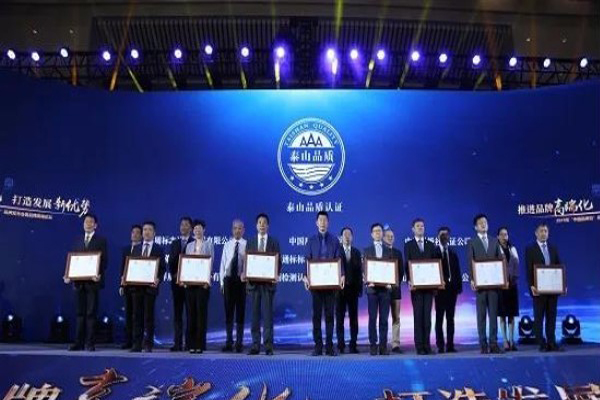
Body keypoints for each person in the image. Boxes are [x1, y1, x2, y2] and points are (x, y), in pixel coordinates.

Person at [65, 213, 108, 352]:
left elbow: (104, 261)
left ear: (95, 225)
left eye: (91, 222)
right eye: (86, 222)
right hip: (79, 283)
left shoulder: (101, 241)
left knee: (91, 314)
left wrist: (98, 274)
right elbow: (74, 260)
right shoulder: (77, 241)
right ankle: (78, 343)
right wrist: (69, 275)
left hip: (93, 283)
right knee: (79, 313)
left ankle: (90, 343)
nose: (88, 224)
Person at [304, 211, 344, 356]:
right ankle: (318, 346)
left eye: (325, 220)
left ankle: (329, 347)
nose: (322, 223)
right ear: (316, 223)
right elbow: (307, 260)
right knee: (316, 316)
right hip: (315, 285)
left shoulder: (334, 240)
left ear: (328, 222)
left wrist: (342, 275)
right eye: (320, 220)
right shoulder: (311, 240)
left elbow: (339, 260)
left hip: (330, 284)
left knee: (329, 316)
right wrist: (305, 276)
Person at [466, 213, 504, 354]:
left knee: (493, 315)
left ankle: (493, 343)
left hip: (493, 284)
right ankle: (483, 344)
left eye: (485, 222)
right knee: (481, 315)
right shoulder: (472, 242)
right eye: (481, 223)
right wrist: (472, 279)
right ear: (476, 227)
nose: (483, 224)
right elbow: (470, 262)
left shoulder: (494, 241)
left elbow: (500, 260)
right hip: (480, 285)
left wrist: (501, 278)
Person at [245, 213, 281, 355]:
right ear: (256, 225)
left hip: (268, 285)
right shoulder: (250, 242)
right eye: (259, 222)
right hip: (254, 285)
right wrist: (246, 273)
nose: (262, 225)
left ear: (268, 226)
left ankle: (268, 346)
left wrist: (275, 274)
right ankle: (255, 345)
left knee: (268, 317)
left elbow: (279, 261)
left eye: (264, 222)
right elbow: (247, 261)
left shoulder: (274, 242)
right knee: (254, 316)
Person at [525, 223, 564, 352]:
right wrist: (531, 285)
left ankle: (551, 342)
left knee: (551, 317)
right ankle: (541, 343)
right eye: (541, 231)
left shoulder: (553, 248)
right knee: (539, 317)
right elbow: (528, 269)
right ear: (536, 233)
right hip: (538, 289)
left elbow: (559, 267)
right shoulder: (530, 249)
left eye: (546, 231)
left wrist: (562, 284)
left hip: (552, 289)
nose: (543, 233)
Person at [130, 221, 166, 353]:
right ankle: (136, 344)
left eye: (149, 230)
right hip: (136, 288)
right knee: (137, 316)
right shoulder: (136, 248)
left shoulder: (158, 249)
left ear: (154, 233)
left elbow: (162, 268)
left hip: (151, 288)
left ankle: (148, 344)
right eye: (144, 229)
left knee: (148, 317)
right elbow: (132, 266)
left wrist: (158, 279)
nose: (146, 232)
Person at [404, 218, 436, 355]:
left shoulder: (431, 245)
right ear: (413, 229)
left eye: (422, 226)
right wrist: (409, 281)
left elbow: (435, 265)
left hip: (428, 287)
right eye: (418, 226)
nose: (420, 228)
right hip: (416, 287)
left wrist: (435, 282)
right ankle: (419, 346)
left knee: (427, 317)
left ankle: (427, 345)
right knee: (418, 316)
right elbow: (407, 264)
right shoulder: (409, 245)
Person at [363, 223, 393, 356]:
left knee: (384, 319)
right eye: (375, 231)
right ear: (371, 234)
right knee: (372, 318)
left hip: (385, 289)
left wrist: (391, 282)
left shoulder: (389, 250)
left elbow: (392, 268)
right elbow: (363, 269)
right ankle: (373, 345)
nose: (377, 233)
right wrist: (367, 281)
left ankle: (383, 346)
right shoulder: (367, 250)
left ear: (382, 233)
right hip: (372, 290)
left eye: (379, 231)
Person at [185, 219, 214, 354]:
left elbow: (210, 263)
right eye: (195, 228)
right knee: (191, 314)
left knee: (201, 314)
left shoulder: (209, 244)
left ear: (204, 230)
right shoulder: (189, 246)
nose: (197, 230)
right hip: (190, 284)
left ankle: (200, 344)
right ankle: (191, 344)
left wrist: (207, 280)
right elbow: (186, 263)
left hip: (203, 284)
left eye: (199, 228)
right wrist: (184, 279)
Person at [219, 219, 247, 353]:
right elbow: (222, 265)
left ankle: (239, 343)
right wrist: (221, 283)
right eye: (235, 228)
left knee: (240, 312)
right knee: (228, 312)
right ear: (232, 230)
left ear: (243, 230)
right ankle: (229, 342)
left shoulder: (247, 245)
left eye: (240, 228)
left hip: (241, 282)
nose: (237, 231)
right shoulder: (227, 245)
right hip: (228, 281)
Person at [433, 226, 462, 353]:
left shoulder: (453, 253)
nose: (444, 237)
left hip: (452, 290)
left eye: (446, 234)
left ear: (449, 237)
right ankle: (440, 345)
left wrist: (459, 287)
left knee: (450, 318)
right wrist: (435, 287)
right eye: (442, 234)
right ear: (438, 237)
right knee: (439, 318)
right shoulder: (434, 253)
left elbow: (457, 271)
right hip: (439, 291)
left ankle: (450, 345)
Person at [168, 216, 194, 352]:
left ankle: (189, 343)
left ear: (191, 227)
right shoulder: (174, 243)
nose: (183, 227)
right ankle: (177, 343)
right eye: (182, 225)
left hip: (190, 284)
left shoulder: (194, 242)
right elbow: (171, 262)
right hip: (176, 283)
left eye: (186, 225)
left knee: (190, 313)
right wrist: (175, 275)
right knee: (177, 314)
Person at [336, 226, 362, 354]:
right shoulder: (336, 251)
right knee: (339, 318)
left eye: (349, 234)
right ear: (341, 238)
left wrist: (360, 289)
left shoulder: (356, 252)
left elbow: (359, 272)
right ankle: (340, 345)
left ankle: (353, 344)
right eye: (345, 234)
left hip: (353, 290)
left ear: (352, 237)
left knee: (354, 319)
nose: (347, 236)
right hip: (339, 291)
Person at [497, 227, 520, 351]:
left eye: (506, 234)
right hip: (501, 286)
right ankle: (505, 340)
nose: (504, 237)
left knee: (511, 314)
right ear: (498, 237)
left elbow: (517, 266)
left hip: (512, 286)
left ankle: (512, 340)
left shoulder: (513, 249)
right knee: (502, 315)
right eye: (502, 234)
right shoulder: (495, 249)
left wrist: (513, 280)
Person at [119, 224, 142, 350]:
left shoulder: (143, 249)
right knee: (128, 314)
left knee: (137, 315)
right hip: (127, 285)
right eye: (133, 232)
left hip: (138, 286)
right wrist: (121, 284)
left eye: (137, 232)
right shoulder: (126, 249)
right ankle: (128, 340)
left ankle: (136, 341)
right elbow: (123, 268)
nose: (135, 235)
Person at [383, 227, 404, 353]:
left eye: (392, 236)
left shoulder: (398, 253)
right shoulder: (380, 251)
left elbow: (401, 272)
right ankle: (383, 343)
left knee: (396, 318)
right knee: (384, 318)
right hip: (383, 290)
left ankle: (395, 344)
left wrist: (394, 284)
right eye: (388, 236)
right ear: (383, 238)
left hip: (396, 291)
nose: (390, 238)